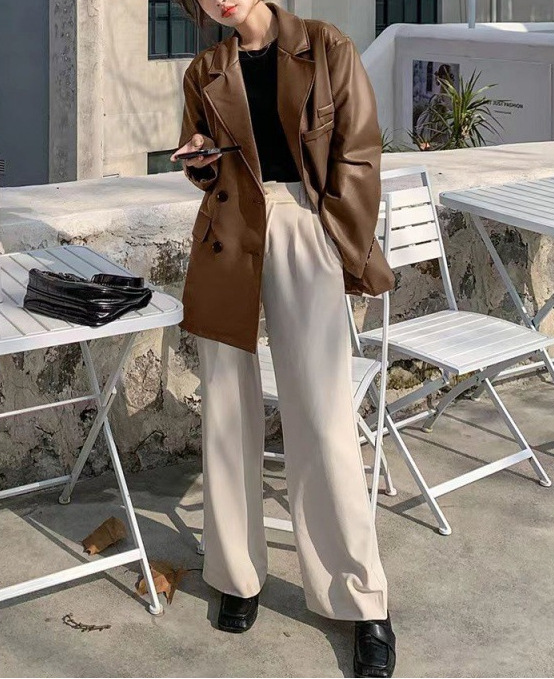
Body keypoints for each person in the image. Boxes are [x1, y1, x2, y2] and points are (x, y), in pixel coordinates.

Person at [170, 1, 396, 676]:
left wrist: (335, 238)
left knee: (322, 414)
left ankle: (359, 597)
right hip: (227, 233)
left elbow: (360, 150)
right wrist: (199, 163)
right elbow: (205, 165)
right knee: (225, 409)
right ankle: (236, 575)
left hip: (305, 222)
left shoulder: (326, 46)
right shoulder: (205, 69)